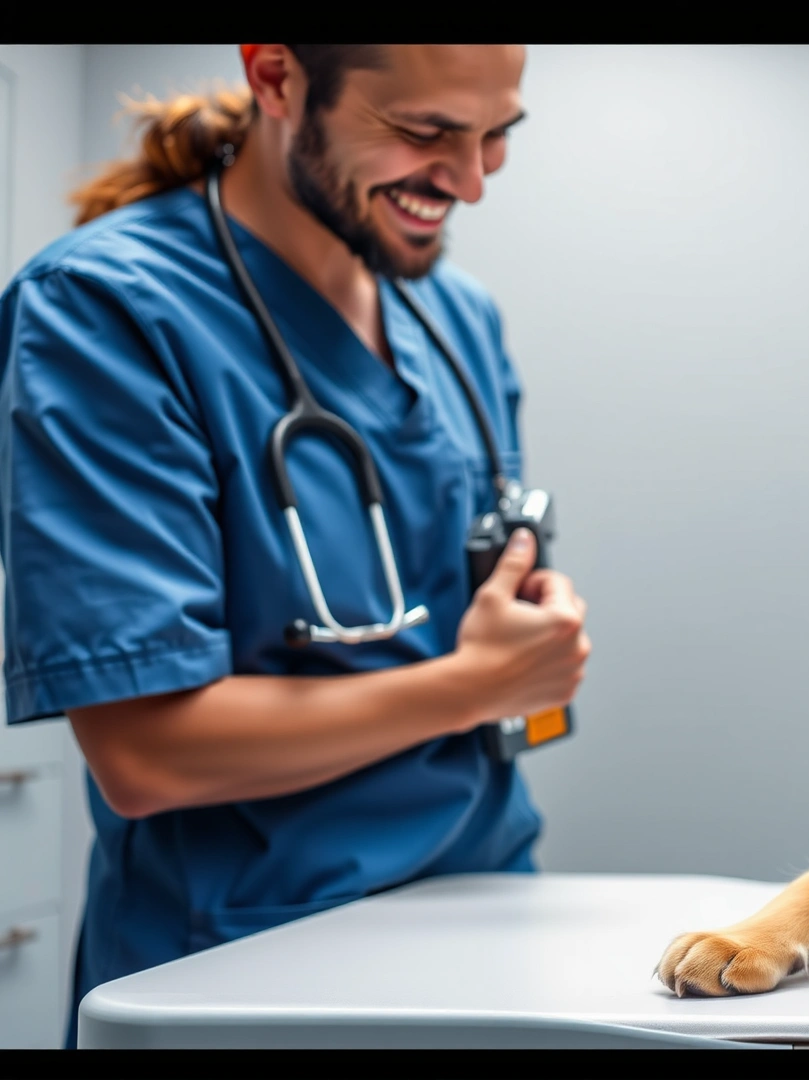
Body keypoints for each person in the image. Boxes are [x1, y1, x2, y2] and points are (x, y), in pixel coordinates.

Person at [0, 45, 590, 1042]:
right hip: (242, 971)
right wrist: (477, 685)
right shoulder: (103, 312)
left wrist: (523, 637)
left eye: (496, 136)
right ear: (276, 78)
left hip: (484, 917)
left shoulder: (456, 317)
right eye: (426, 132)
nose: (472, 181)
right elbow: (146, 752)